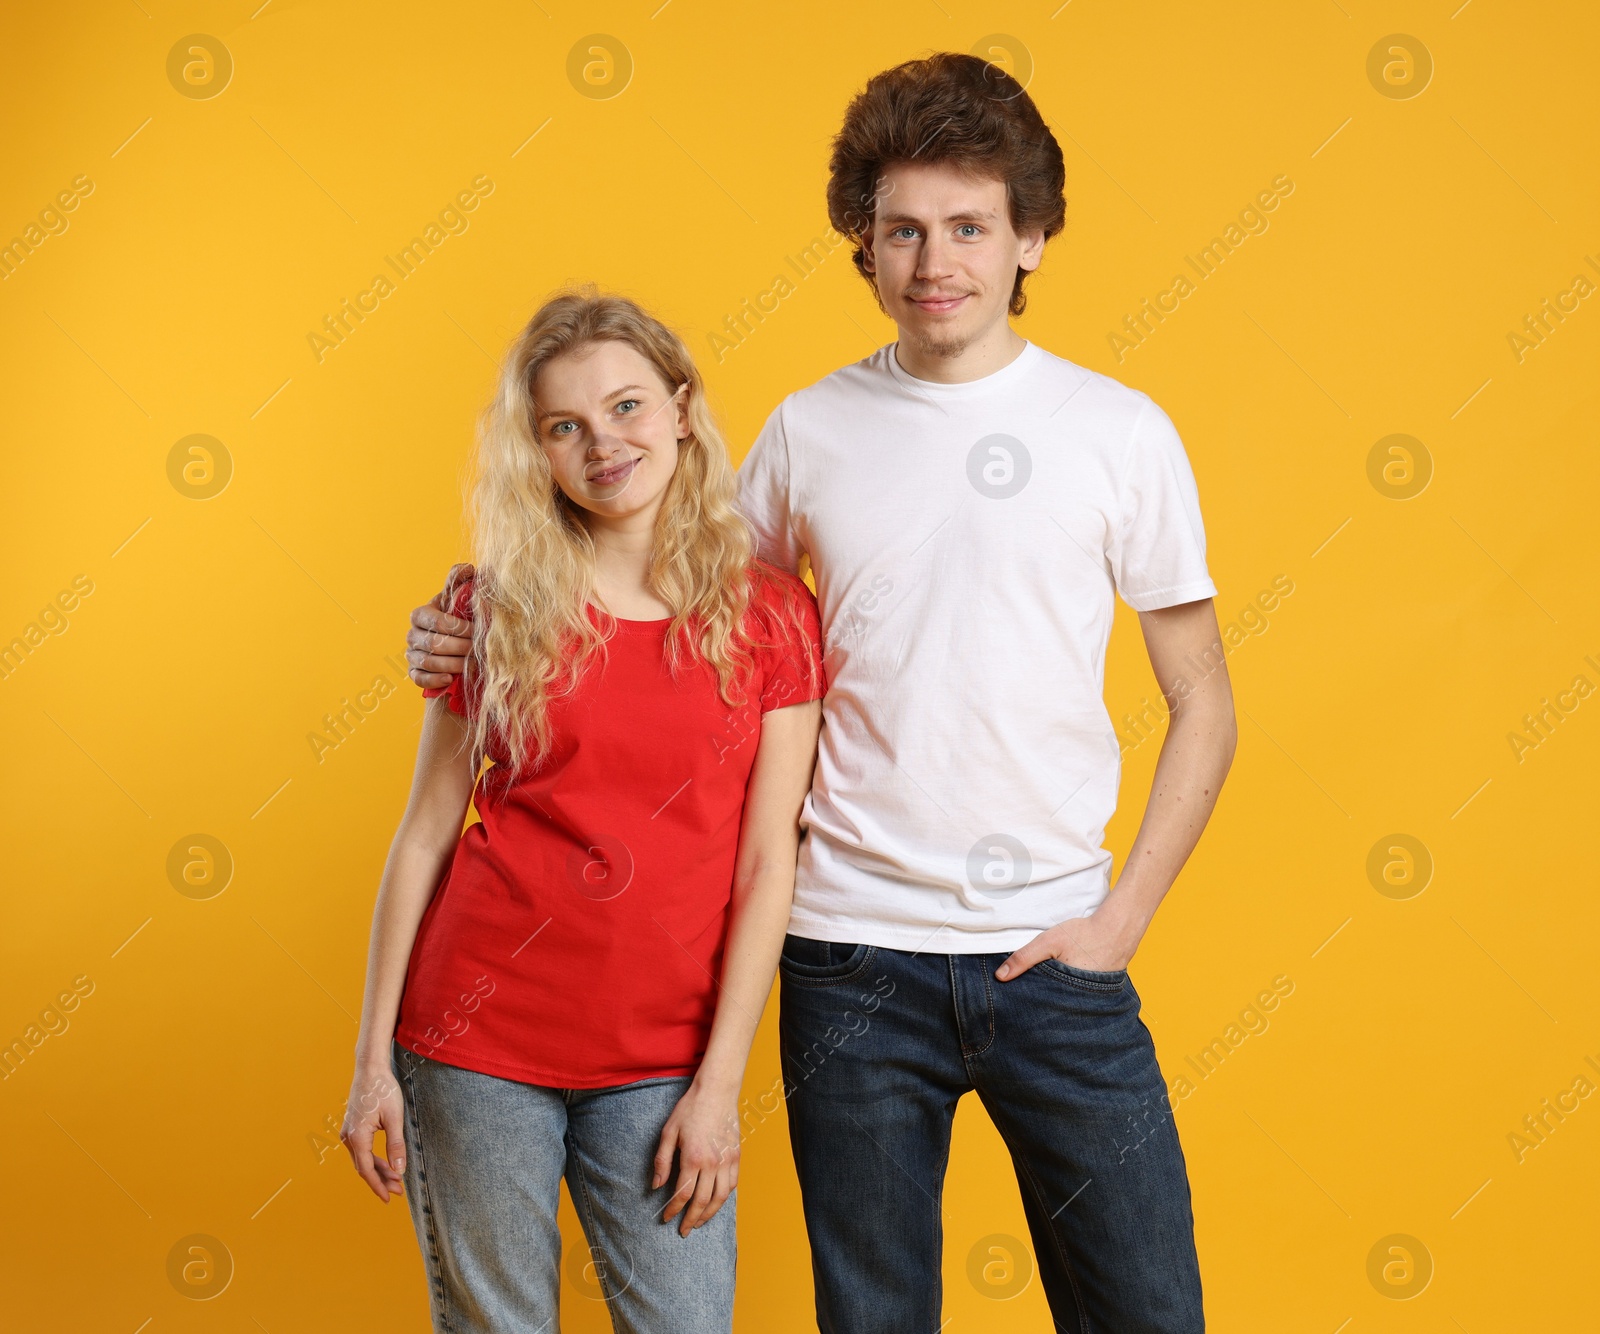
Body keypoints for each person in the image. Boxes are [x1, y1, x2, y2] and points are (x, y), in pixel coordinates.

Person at [408, 53, 1236, 1333]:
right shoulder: (808, 430)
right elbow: (664, 601)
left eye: (969, 225)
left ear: (1030, 237)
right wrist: (477, 612)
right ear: (864, 247)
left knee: (1144, 1306)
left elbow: (1202, 698)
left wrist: (1119, 919)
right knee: (874, 1315)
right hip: (850, 957)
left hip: (1055, 955)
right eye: (900, 229)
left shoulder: (1119, 432)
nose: (934, 259)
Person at [343, 289, 825, 1334]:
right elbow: (426, 831)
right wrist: (371, 1059)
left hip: (664, 1058)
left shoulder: (773, 615)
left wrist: (719, 1086)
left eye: (626, 407)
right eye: (565, 425)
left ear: (682, 408)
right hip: (476, 1039)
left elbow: (766, 866)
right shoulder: (494, 605)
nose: (603, 443)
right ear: (540, 452)